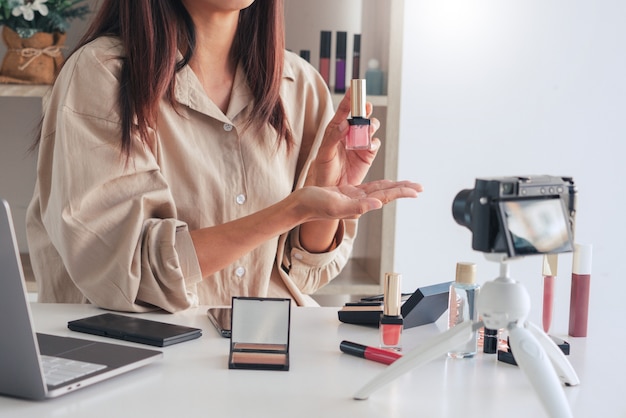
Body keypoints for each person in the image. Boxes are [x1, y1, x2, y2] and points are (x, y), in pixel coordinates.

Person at [26, 0, 423, 313]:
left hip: (265, 351)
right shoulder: (103, 74)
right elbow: (126, 274)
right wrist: (291, 209)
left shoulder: (300, 85)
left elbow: (299, 278)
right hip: (141, 363)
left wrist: (322, 204)